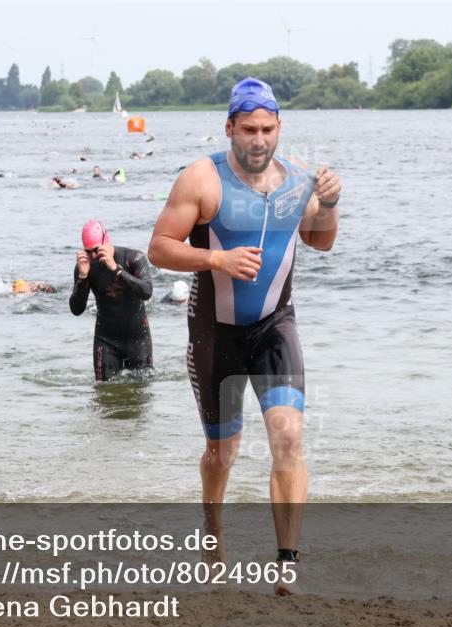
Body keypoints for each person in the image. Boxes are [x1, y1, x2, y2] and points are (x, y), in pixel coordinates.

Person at [148, 77, 341, 594]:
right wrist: (216, 258)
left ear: (279, 129)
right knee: (222, 454)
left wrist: (331, 204)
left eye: (268, 129)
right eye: (249, 129)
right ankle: (213, 533)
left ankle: (286, 564)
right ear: (230, 127)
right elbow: (159, 248)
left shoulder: (299, 180)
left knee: (289, 435)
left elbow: (320, 242)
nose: (259, 139)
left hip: (276, 326)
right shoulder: (201, 179)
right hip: (216, 336)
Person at [70, 220, 153, 381]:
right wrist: (82, 277)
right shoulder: (85, 267)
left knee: (141, 397)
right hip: (105, 341)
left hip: (138, 340)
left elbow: (147, 291)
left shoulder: (133, 258)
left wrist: (116, 269)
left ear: (106, 241)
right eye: (88, 252)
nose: (93, 256)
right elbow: (76, 309)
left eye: (96, 250)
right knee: (104, 395)